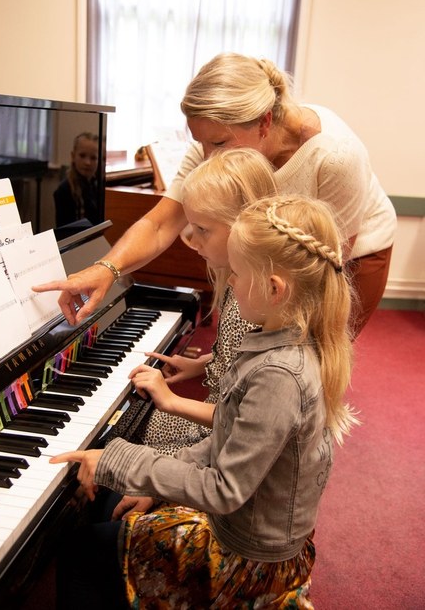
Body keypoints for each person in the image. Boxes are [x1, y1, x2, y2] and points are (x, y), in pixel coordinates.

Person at [50, 194, 358, 609]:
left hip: (245, 563)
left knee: (80, 549)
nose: (230, 282)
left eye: (238, 273)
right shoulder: (283, 343)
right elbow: (226, 439)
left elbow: (225, 489)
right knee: (111, 503)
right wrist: (144, 475)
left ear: (273, 288)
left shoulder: (280, 375)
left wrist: (118, 462)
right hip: (245, 533)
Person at [34, 52, 396, 337]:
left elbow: (323, 268)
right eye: (200, 142)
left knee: (313, 361)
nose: (207, 157)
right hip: (282, 257)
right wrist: (106, 269)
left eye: (218, 142)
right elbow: (160, 225)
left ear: (265, 122)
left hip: (349, 256)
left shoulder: (334, 156)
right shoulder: (212, 145)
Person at [95, 147, 278, 520]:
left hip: (217, 443)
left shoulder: (254, 299)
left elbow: (242, 421)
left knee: (119, 433)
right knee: (123, 426)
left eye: (203, 230)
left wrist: (171, 401)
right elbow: (245, 357)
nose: (190, 238)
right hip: (217, 428)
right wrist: (203, 364)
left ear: (243, 226)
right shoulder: (239, 279)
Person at [54, 132, 100, 227]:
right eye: (82, 156)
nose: (87, 162)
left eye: (93, 158)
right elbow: (65, 232)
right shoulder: (64, 190)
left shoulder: (97, 186)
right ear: (73, 156)